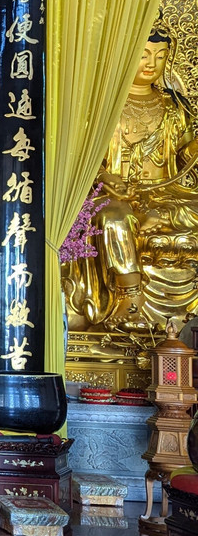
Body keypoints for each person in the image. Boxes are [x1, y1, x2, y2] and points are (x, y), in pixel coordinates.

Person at [66, 27, 198, 331]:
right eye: (143, 55)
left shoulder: (176, 107)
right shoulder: (103, 107)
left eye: (161, 56)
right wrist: (105, 176)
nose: (152, 63)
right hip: (115, 193)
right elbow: (80, 157)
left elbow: (184, 160)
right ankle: (130, 295)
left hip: (168, 192)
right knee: (113, 218)